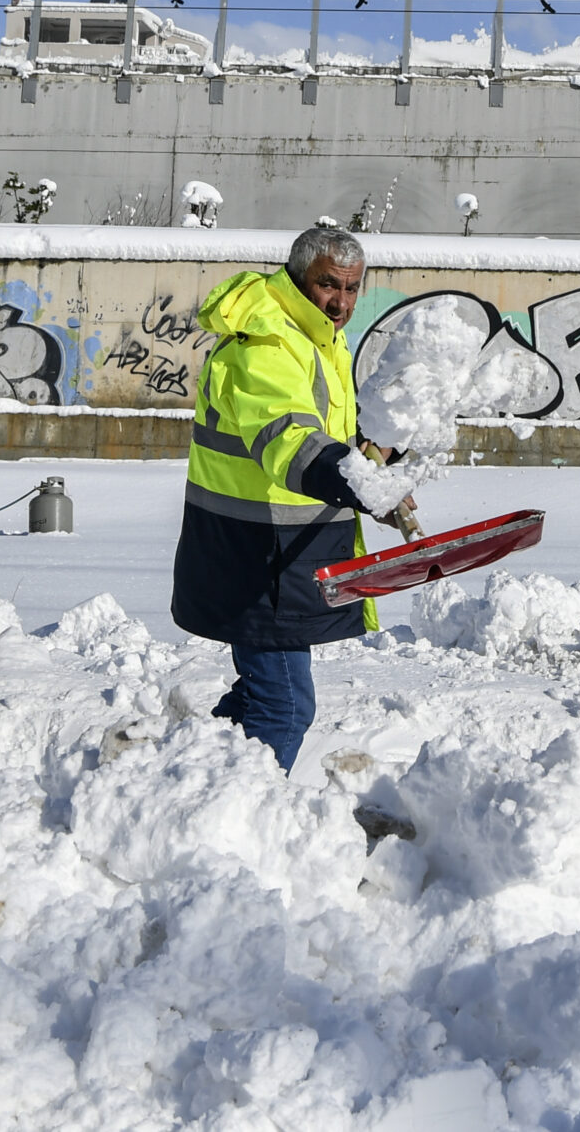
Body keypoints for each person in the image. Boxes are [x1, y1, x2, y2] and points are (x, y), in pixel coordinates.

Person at [170, 227, 413, 772]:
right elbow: (289, 441)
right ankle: (236, 819)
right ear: (299, 276)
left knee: (261, 700)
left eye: (352, 289)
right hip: (254, 557)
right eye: (329, 285)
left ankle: (185, 782)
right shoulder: (267, 342)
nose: (341, 302)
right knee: (284, 707)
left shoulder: (316, 338)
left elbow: (327, 436)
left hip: (283, 554)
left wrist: (375, 458)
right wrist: (363, 485)